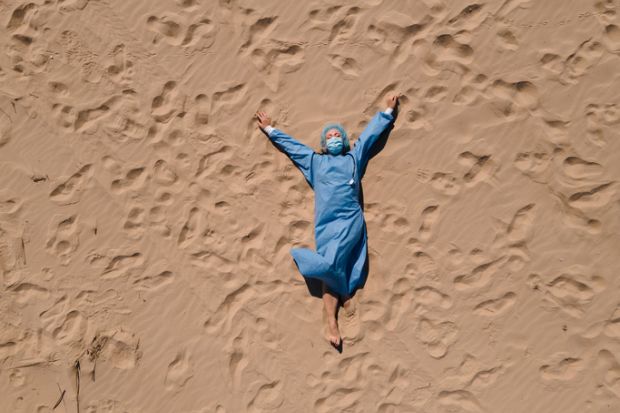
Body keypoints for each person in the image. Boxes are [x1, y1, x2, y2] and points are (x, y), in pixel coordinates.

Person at [255, 93, 400, 349]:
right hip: (325, 225)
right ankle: (343, 293)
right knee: (334, 266)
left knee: (332, 263)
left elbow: (368, 137)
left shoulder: (353, 159)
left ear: (343, 141)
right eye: (329, 137)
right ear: (324, 143)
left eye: (337, 136)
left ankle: (332, 322)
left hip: (350, 221)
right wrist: (269, 128)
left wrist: (387, 113)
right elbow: (294, 147)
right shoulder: (315, 162)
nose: (333, 139)